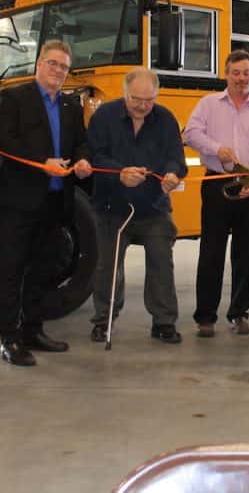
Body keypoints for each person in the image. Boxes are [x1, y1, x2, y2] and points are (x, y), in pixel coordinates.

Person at [0, 40, 92, 366]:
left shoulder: (71, 106)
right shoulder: (15, 98)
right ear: (38, 65)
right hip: (19, 201)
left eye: (64, 67)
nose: (58, 71)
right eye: (53, 64)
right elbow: (5, 142)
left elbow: (80, 143)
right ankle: (8, 337)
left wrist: (83, 160)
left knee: (43, 269)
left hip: (56, 200)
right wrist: (41, 162)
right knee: (11, 269)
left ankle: (33, 330)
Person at [88, 67, 188, 344]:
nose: (143, 106)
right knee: (107, 267)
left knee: (161, 262)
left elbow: (176, 159)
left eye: (149, 100)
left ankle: (164, 322)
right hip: (112, 207)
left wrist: (171, 175)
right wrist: (119, 173)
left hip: (153, 206)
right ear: (124, 93)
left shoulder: (166, 119)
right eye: (136, 100)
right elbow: (95, 156)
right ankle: (103, 321)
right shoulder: (104, 117)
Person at [183, 50, 249, 337]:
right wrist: (215, 148)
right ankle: (206, 317)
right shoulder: (209, 104)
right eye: (235, 72)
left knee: (247, 253)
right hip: (217, 184)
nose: (241, 78)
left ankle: (239, 313)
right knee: (211, 251)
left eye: (246, 73)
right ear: (226, 74)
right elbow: (190, 133)